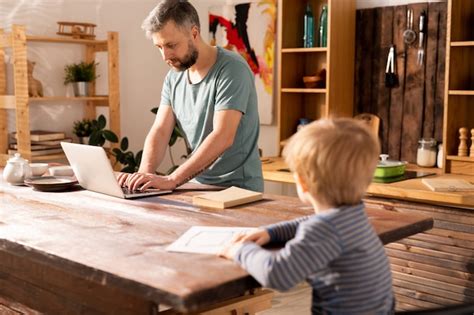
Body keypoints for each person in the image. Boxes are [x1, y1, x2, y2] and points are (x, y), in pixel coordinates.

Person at [219, 118, 394, 314]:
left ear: (303, 183)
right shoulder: (354, 214)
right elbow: (313, 222)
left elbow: (277, 274)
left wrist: (240, 251)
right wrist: (271, 232)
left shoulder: (325, 228)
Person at [118, 0, 263, 192]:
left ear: (194, 33)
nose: (165, 56)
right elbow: (161, 130)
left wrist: (172, 179)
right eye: (159, 47)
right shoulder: (173, 78)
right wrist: (143, 175)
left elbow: (223, 136)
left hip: (238, 189)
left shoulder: (232, 69)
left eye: (171, 45)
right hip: (197, 185)